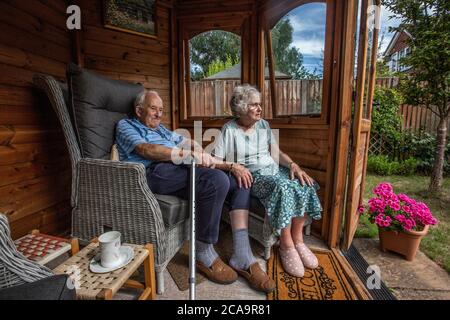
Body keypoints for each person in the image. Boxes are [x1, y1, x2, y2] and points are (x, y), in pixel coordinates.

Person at [115, 90, 274, 292]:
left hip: (179, 165)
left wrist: (228, 164)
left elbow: (186, 142)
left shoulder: (161, 130)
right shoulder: (126, 126)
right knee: (216, 181)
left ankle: (242, 254)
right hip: (153, 172)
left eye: (161, 110)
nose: (158, 114)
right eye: (153, 108)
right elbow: (146, 150)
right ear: (139, 110)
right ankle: (202, 253)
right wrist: (188, 154)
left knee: (240, 179)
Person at [213, 84, 323, 277]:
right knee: (283, 187)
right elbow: (216, 159)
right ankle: (286, 244)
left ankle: (298, 240)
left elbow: (275, 152)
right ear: (241, 108)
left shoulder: (263, 125)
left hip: (274, 169)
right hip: (254, 176)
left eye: (259, 104)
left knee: (302, 181)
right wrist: (234, 167)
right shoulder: (229, 129)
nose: (260, 108)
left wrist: (293, 165)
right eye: (254, 105)